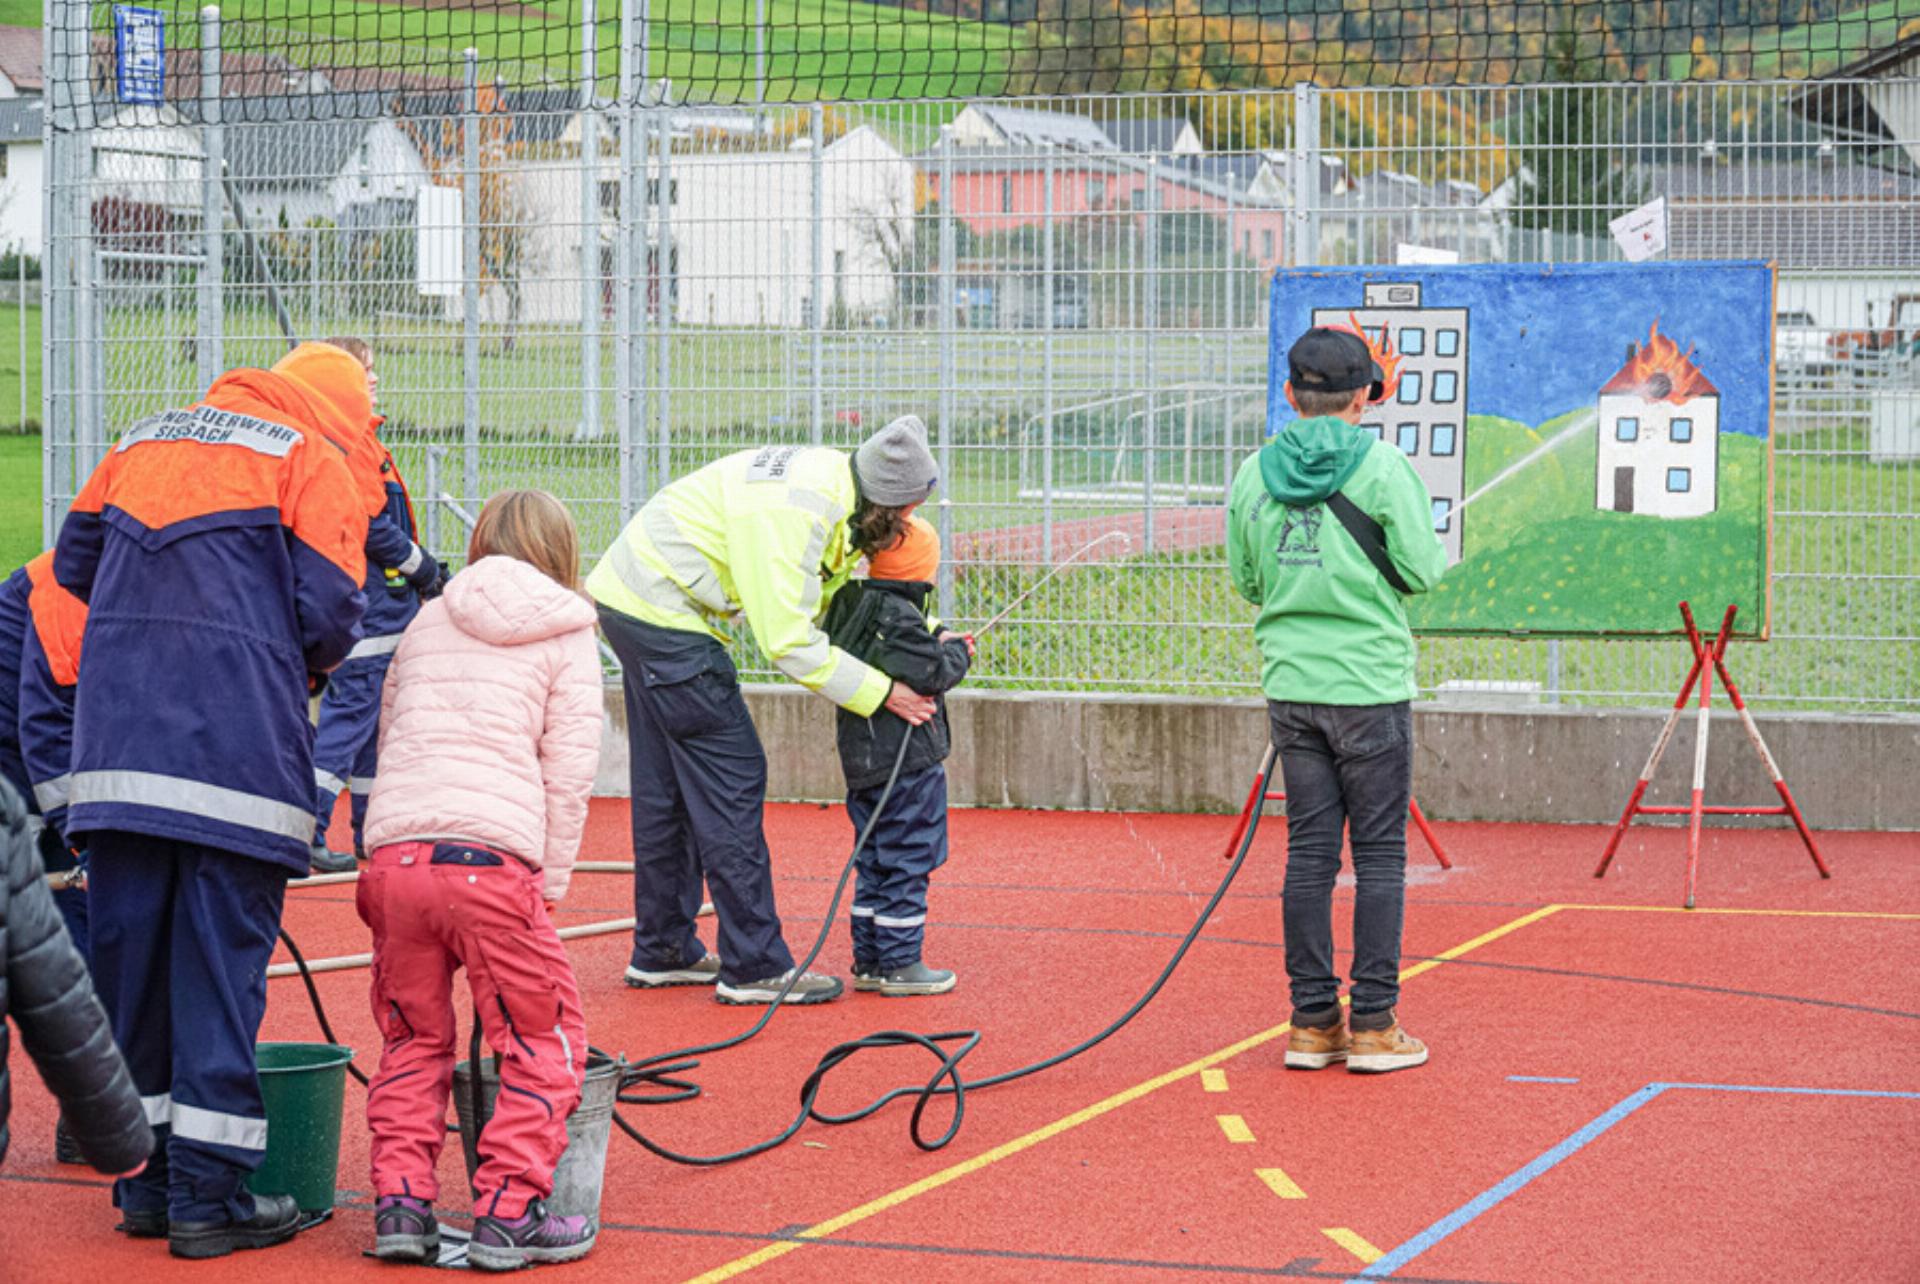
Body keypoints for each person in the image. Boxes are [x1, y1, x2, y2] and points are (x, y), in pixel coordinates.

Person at [53, 346, 370, 1256]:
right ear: (338, 410)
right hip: (237, 758)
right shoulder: (309, 456)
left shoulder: (141, 440)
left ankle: (147, 1188)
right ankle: (207, 1198)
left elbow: (74, 563)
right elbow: (331, 613)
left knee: (133, 981)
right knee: (218, 982)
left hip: (117, 759)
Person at [589, 418, 940, 1006]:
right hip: (663, 616)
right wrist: (884, 692)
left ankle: (664, 948)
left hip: (637, 602)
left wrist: (922, 636)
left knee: (669, 788)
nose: (908, 526)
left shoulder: (836, 486)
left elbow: (816, 596)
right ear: (884, 503)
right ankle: (754, 966)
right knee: (733, 777)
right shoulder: (798, 513)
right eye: (906, 514)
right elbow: (788, 641)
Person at [358, 489, 601, 1271]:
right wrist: (548, 883)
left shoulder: (427, 619)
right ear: (561, 550)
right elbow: (569, 772)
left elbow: (390, 731)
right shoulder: (569, 629)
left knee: (412, 1037)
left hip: (395, 860)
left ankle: (401, 1206)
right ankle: (508, 1212)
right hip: (491, 864)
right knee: (541, 1038)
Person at [1226, 326, 1449, 1075]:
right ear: (1364, 398)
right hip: (1370, 687)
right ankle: (1375, 1024)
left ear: (1292, 396)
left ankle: (1312, 1022)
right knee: (1379, 854)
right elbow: (1422, 571)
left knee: (1309, 854)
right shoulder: (1384, 467)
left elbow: (1248, 580)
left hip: (1292, 685)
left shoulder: (1254, 472)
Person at [303, 337, 446, 874]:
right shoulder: (350, 445)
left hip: (381, 603)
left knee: (369, 728)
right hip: (373, 606)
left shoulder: (355, 439)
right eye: (365, 371)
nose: (375, 379)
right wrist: (423, 569)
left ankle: (371, 828)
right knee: (348, 720)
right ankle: (306, 830)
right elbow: (371, 526)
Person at [820, 515, 972, 995]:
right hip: (907, 763)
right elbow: (932, 672)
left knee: (874, 858)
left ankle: (870, 959)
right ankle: (901, 962)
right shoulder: (900, 618)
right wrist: (959, 654)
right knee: (910, 855)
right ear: (923, 571)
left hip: (864, 761)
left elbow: (912, 644)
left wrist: (938, 635)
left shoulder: (854, 604)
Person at [1, 778, 154, 1178]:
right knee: (75, 964)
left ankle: (83, 1128)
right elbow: (58, 998)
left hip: (57, 816)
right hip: (52, 815)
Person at [0, 550, 92, 1162]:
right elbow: (48, 725)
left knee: (89, 929)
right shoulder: (69, 587)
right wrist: (85, 836)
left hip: (44, 756)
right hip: (24, 757)